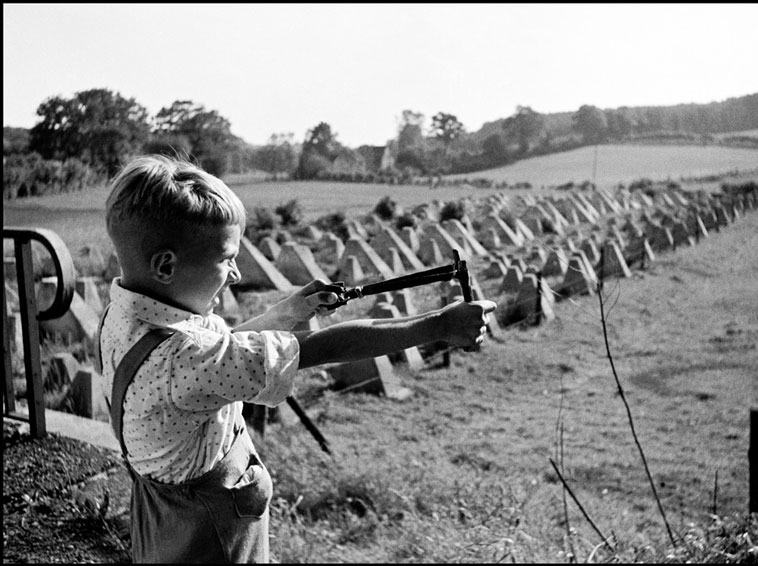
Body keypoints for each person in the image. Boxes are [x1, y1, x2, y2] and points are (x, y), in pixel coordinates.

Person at [98, 154, 496, 563]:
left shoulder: (125, 315)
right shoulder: (187, 359)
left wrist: (285, 314)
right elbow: (325, 348)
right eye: (226, 258)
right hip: (213, 539)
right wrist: (437, 326)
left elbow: (212, 359)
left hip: (160, 521)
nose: (235, 273)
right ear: (166, 266)